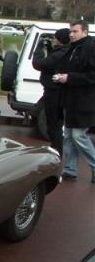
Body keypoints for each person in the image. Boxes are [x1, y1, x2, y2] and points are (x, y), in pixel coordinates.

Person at [53, 20, 95, 182]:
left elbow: (92, 75)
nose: (71, 34)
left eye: (75, 31)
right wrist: (59, 75)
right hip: (69, 99)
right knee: (68, 136)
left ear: (85, 32)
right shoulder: (72, 48)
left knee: (78, 136)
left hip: (84, 100)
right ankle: (71, 169)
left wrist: (69, 78)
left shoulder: (91, 48)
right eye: (70, 31)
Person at [32, 28, 70, 156]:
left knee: (53, 124)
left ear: (60, 39)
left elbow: (39, 64)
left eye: (55, 38)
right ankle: (56, 148)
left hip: (54, 92)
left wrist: (38, 49)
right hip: (58, 91)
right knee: (56, 124)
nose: (54, 40)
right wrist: (49, 49)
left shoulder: (60, 53)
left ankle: (57, 150)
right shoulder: (65, 51)